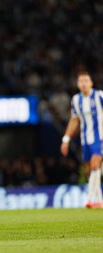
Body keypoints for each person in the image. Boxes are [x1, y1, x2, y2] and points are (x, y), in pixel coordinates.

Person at [60, 71, 103, 208]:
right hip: (85, 140)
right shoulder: (76, 100)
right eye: (81, 81)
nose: (84, 83)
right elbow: (74, 121)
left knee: (96, 163)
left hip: (100, 138)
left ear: (91, 83)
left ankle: (90, 199)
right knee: (90, 170)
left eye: (86, 80)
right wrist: (66, 139)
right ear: (78, 84)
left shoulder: (100, 96)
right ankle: (99, 200)